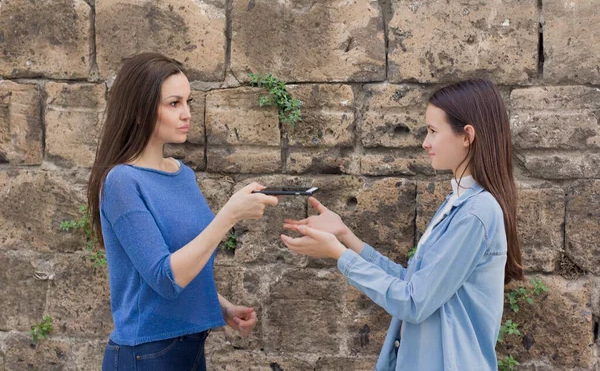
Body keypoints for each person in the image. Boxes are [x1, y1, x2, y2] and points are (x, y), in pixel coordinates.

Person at [281, 79, 524, 371]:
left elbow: (413, 302)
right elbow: (413, 283)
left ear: (466, 136)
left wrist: (339, 255)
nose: (425, 142)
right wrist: (346, 236)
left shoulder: (476, 213)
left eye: (433, 131)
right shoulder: (457, 204)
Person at [87, 53, 278, 371]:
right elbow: (165, 278)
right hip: (145, 353)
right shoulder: (122, 181)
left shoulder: (182, 174)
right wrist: (228, 216)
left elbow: (185, 260)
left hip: (189, 348)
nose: (187, 113)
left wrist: (222, 308)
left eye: (188, 101)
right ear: (139, 111)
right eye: (174, 103)